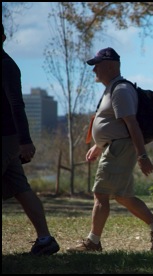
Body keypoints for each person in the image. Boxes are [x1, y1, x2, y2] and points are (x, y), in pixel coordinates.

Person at [67, 47, 153, 252]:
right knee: (123, 196)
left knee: (100, 194)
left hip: (119, 148)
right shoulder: (112, 88)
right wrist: (99, 145)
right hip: (115, 147)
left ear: (110, 65)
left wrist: (142, 155)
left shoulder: (121, 90)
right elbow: (116, 124)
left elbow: (132, 125)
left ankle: (93, 242)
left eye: (97, 65)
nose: (94, 70)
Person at [2, 23, 60, 256]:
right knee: (20, 188)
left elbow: (17, 104)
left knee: (21, 188)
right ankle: (45, 239)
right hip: (9, 139)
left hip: (5, 137)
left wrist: (25, 141)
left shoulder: (6, 66)